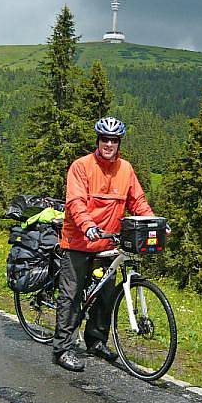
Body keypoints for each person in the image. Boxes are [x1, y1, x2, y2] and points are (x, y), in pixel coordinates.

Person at [52, 116, 155, 372]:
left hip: (107, 243)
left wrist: (154, 223)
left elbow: (138, 202)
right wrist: (87, 226)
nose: (109, 144)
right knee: (71, 295)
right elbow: (75, 202)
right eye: (105, 139)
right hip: (78, 241)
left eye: (114, 140)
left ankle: (95, 341)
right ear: (98, 140)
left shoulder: (126, 169)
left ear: (119, 143)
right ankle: (62, 348)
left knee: (105, 295)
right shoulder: (81, 166)